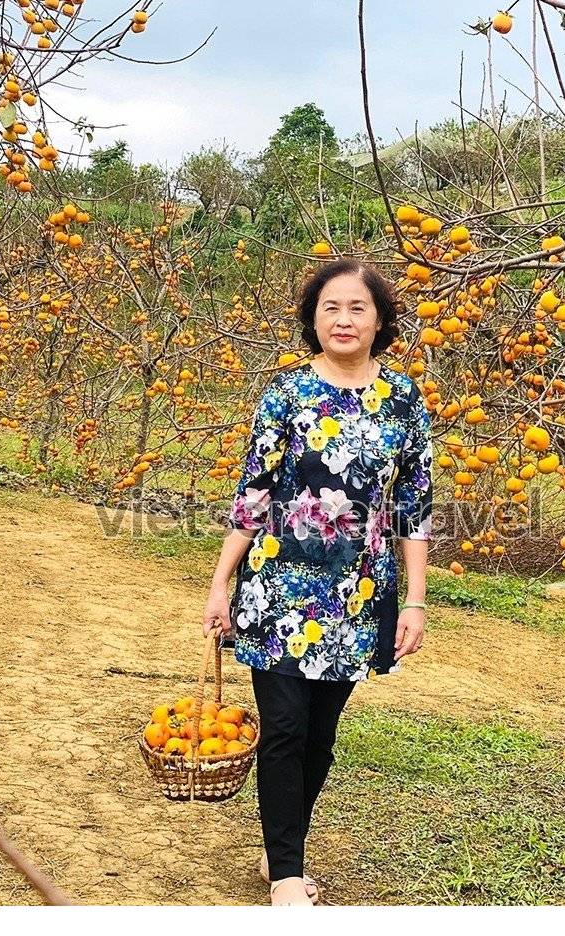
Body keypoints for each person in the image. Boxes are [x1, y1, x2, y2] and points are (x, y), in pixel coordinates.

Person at [204, 258, 434, 906]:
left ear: (380, 320)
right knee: (284, 726)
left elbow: (414, 506)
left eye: (358, 307)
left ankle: (282, 846)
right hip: (276, 587)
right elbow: (253, 494)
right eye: (330, 307)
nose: (343, 319)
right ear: (313, 318)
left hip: (357, 594)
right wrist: (220, 583)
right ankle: (286, 875)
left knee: (320, 737)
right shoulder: (286, 392)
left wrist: (416, 600)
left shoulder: (404, 400)